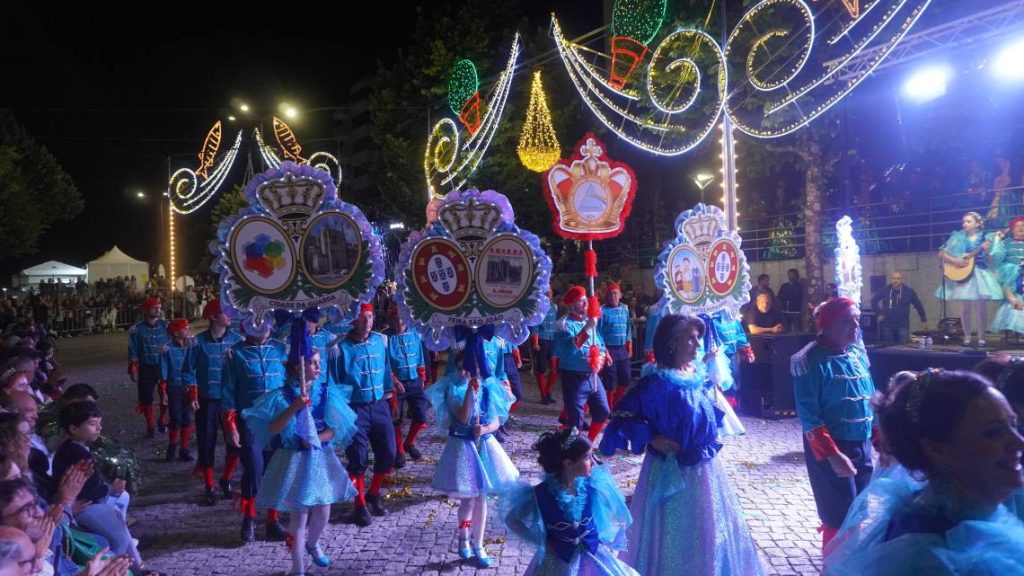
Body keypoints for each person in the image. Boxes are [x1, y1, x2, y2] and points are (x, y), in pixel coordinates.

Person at [599, 314, 765, 575]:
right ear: (672, 343)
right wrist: (652, 436)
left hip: (705, 469)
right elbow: (623, 413)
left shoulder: (697, 375)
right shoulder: (657, 383)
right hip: (670, 471)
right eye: (690, 338)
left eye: (698, 337)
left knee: (707, 526)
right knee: (673, 530)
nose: (698, 343)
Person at [823, 369, 1024, 574]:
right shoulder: (928, 558)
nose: (1019, 442)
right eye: (993, 433)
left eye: (1014, 425)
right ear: (936, 449)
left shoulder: (970, 513)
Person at [243, 323, 357, 575]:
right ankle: (298, 567)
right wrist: (294, 407)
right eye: (313, 363)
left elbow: (334, 430)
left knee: (323, 511)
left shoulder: (326, 393)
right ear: (298, 367)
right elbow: (273, 429)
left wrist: (317, 439)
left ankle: (312, 543)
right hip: (293, 460)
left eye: (319, 363)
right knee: (299, 516)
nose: (318, 367)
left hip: (319, 459)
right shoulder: (282, 395)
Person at [792, 297, 875, 553]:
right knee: (838, 514)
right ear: (827, 326)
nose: (855, 326)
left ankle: (854, 563)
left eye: (857, 320)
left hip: (863, 444)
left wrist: (883, 443)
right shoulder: (807, 359)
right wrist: (833, 455)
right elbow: (809, 415)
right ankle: (835, 566)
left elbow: (871, 400)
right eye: (848, 321)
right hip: (832, 447)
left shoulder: (857, 354)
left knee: (859, 509)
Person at [427, 341, 518, 568]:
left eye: (469, 370)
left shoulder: (487, 388)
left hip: (483, 445)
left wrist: (485, 429)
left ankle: (478, 544)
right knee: (468, 499)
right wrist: (470, 390)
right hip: (463, 446)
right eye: (460, 369)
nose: (464, 373)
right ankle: (463, 537)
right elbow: (463, 416)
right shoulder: (452, 389)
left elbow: (496, 420)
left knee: (482, 497)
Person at [502, 428, 637, 576]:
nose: (593, 462)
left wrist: (600, 533)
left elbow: (609, 511)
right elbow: (512, 520)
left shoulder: (593, 485)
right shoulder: (540, 494)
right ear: (568, 463)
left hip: (593, 556)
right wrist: (541, 541)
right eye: (587, 457)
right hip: (558, 561)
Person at [329, 303, 396, 527]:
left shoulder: (381, 341)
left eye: (370, 316)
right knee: (358, 459)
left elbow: (386, 371)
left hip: (379, 405)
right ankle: (359, 505)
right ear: (354, 320)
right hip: (354, 409)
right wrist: (339, 414)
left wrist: (391, 399)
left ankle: (373, 493)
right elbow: (334, 384)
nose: (368, 321)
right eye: (363, 317)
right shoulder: (339, 348)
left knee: (389, 453)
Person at [221, 320, 289, 543]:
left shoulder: (281, 349)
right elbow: (228, 392)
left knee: (275, 468)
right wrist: (231, 427)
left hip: (277, 419)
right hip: (250, 422)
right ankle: (249, 518)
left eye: (266, 323)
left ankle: (273, 520)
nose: (263, 328)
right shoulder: (234, 354)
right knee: (254, 468)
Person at [184, 299, 244, 506]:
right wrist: (192, 395)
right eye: (225, 312)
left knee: (235, 441)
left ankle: (226, 479)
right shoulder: (197, 342)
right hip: (207, 400)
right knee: (206, 442)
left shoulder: (238, 340)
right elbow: (188, 370)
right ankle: (209, 486)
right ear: (212, 317)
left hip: (231, 401)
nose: (230, 316)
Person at [553, 287, 612, 442]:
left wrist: (603, 355)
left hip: (592, 376)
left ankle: (588, 444)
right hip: (573, 377)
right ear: (571, 304)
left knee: (603, 411)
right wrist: (586, 329)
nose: (586, 303)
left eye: (586, 299)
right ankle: (573, 449)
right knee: (576, 421)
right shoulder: (563, 324)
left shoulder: (589, 321)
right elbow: (567, 351)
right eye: (581, 301)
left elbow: (599, 343)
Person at [936, 211, 1002, 347]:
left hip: (979, 273)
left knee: (981, 309)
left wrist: (988, 249)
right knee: (965, 309)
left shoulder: (985, 238)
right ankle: (967, 336)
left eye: (969, 221)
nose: (965, 224)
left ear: (977, 224)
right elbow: (941, 254)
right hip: (964, 274)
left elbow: (990, 259)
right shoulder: (958, 237)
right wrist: (956, 261)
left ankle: (981, 337)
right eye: (964, 221)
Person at [385, 306, 428, 469]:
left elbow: (420, 357)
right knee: (396, 419)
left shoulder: (415, 334)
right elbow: (385, 363)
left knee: (421, 415)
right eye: (395, 319)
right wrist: (394, 381)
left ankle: (409, 443)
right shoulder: (386, 338)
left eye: (401, 318)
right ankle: (400, 452)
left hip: (415, 380)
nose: (399, 322)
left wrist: (422, 377)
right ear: (391, 320)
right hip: (396, 384)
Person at [127, 298, 168, 438]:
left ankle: (162, 419)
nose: (158, 310)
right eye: (154, 308)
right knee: (146, 397)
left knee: (166, 394)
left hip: (164, 366)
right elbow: (133, 349)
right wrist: (133, 367)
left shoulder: (166, 326)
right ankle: (150, 425)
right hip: (146, 367)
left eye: (159, 307)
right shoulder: (137, 329)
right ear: (146, 310)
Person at [158, 318, 196, 463]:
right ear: (175, 332)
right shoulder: (167, 349)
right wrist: (163, 392)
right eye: (184, 328)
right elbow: (163, 372)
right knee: (176, 418)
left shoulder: (191, 346)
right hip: (173, 387)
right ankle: (172, 448)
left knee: (187, 418)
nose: (188, 330)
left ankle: (184, 450)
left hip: (188, 387)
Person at [599, 283, 633, 410]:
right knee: (610, 380)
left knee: (625, 377)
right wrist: (603, 350)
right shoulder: (602, 311)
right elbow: (598, 332)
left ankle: (615, 403)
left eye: (615, 293)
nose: (613, 296)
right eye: (611, 294)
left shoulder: (625, 308)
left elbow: (628, 327)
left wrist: (629, 343)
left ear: (620, 295)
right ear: (607, 296)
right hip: (609, 349)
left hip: (622, 349)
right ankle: (608, 408)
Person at [869, 272, 927, 344]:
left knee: (903, 348)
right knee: (889, 348)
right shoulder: (884, 290)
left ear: (902, 280)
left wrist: (924, 320)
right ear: (891, 279)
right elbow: (873, 301)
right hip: (888, 326)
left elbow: (919, 305)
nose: (895, 280)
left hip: (903, 326)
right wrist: (879, 313)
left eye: (898, 279)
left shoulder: (909, 292)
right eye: (893, 278)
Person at [528, 291, 559, 405]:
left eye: (550, 291)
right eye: (547, 292)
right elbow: (535, 325)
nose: (549, 293)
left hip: (553, 339)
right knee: (541, 368)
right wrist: (535, 342)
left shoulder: (554, 306)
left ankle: (548, 390)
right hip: (542, 339)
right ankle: (543, 394)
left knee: (555, 368)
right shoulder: (538, 307)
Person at [777, 268, 805, 333]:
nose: (790, 275)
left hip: (795, 311)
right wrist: (788, 296)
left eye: (792, 274)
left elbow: (795, 296)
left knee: (797, 329)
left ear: (796, 275)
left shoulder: (799, 286)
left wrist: (786, 296)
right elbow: (780, 295)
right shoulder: (784, 285)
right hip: (785, 311)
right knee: (785, 329)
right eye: (789, 274)